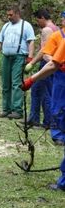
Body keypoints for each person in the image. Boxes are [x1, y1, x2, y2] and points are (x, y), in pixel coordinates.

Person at [21, 10, 65, 191]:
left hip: (61, 81)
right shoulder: (57, 35)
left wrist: (32, 79)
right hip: (58, 79)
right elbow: (47, 55)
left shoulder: (58, 37)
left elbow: (53, 63)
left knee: (59, 113)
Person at [0, 5, 35, 119]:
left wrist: (30, 57)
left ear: (17, 14)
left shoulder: (26, 25)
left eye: (11, 15)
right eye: (7, 15)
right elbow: (0, 42)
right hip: (6, 57)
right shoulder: (6, 26)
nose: (9, 17)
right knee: (5, 84)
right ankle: (6, 109)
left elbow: (31, 42)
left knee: (16, 83)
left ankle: (17, 110)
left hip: (19, 57)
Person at [24, 9, 59, 128]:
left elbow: (44, 50)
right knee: (38, 90)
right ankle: (34, 119)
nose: (37, 23)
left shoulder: (47, 30)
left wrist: (32, 62)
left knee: (44, 93)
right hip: (54, 63)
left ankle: (48, 121)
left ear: (43, 18)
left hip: (47, 64)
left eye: (38, 20)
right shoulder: (56, 28)